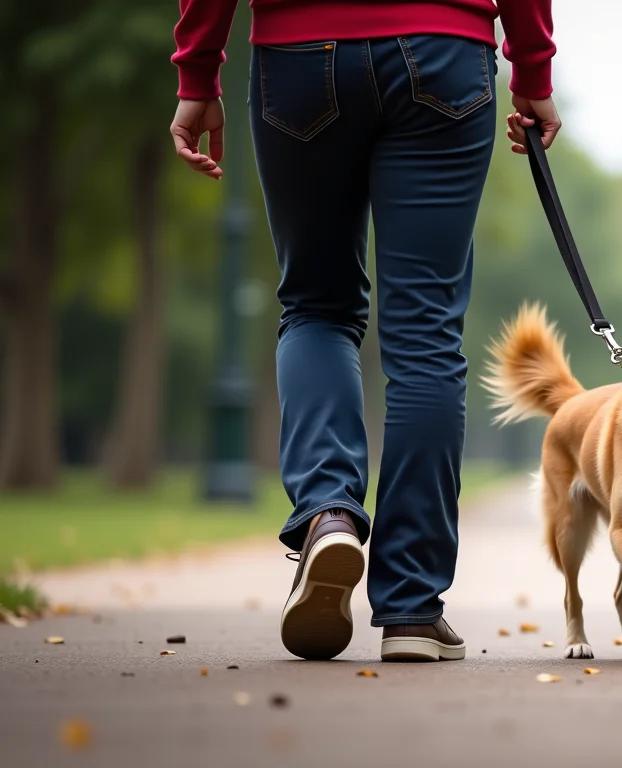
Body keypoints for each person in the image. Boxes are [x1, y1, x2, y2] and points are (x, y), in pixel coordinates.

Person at [169, 0, 561, 662]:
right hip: (444, 49)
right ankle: (412, 607)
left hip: (298, 51)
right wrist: (532, 69)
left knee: (316, 308)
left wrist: (198, 72)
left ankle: (329, 513)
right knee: (426, 334)